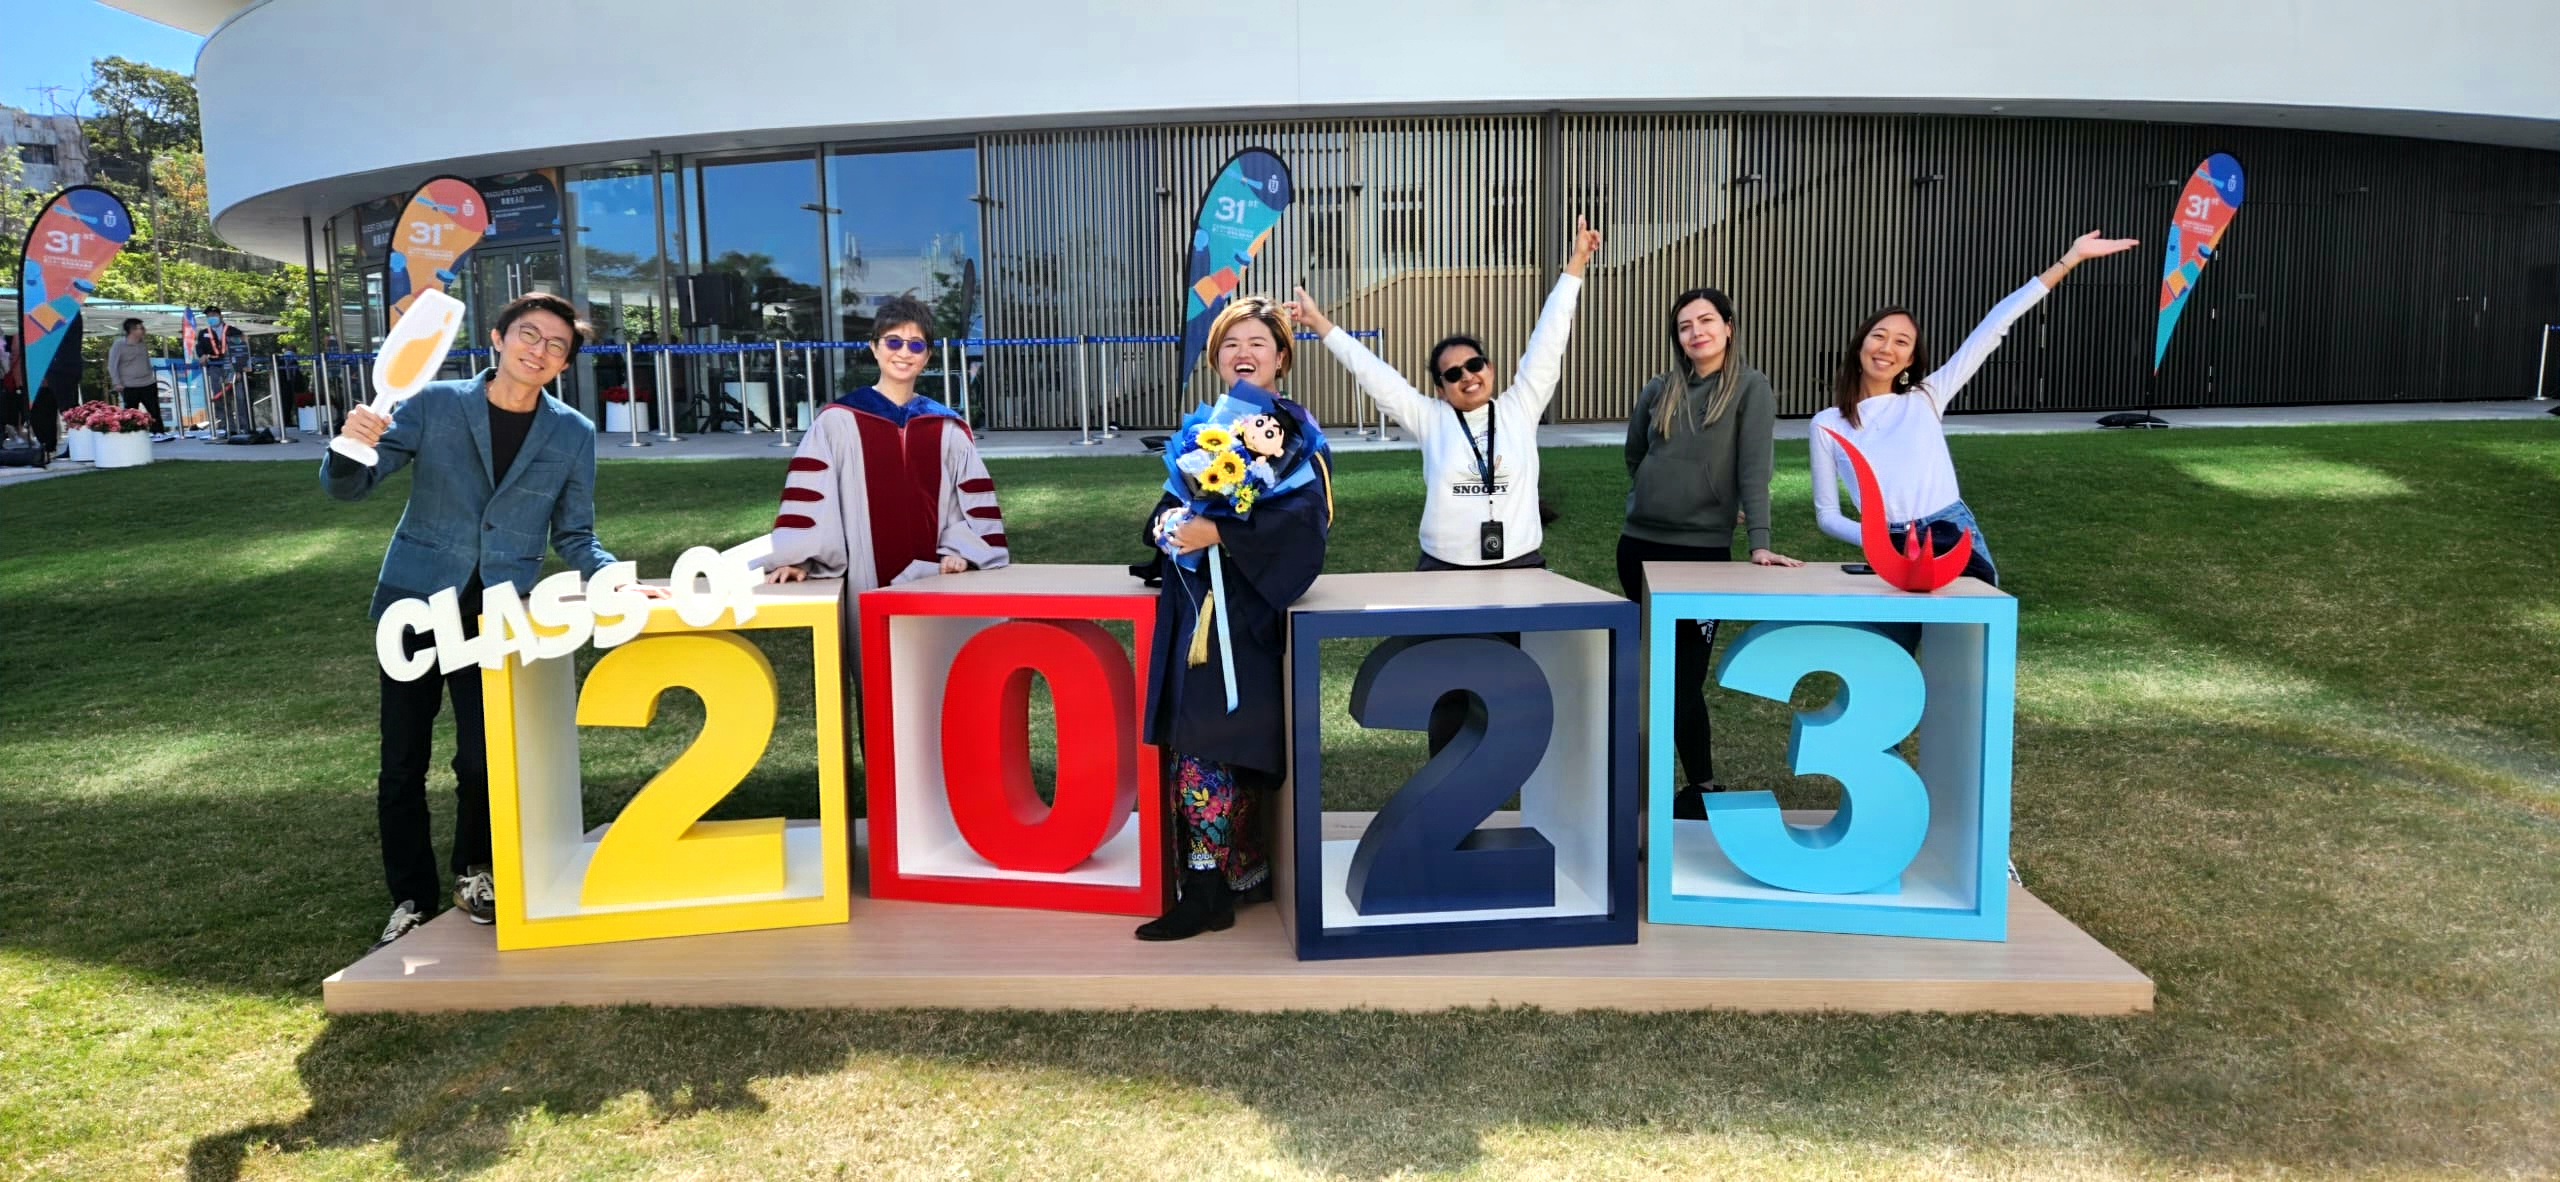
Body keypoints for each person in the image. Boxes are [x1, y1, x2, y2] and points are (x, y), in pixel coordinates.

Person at [322, 291, 666, 952]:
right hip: (414, 603)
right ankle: (411, 898)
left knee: (483, 759)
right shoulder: (435, 404)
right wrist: (350, 445)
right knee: (402, 761)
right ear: (498, 338)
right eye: (529, 336)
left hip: (497, 612)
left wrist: (612, 577)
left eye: (556, 345)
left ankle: (475, 873)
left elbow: (576, 532)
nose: (539, 350)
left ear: (564, 363)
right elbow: (349, 487)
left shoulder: (572, 433)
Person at [1134, 295, 1332, 941]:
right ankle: (1227, 876)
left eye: (1257, 343)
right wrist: (1170, 526)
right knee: (1200, 742)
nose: (1243, 354)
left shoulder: (1294, 435)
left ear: (1282, 357)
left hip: (1243, 614)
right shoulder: (1204, 430)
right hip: (1194, 617)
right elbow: (1165, 512)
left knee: (1212, 744)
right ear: (1216, 358)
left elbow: (1304, 523)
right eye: (1230, 344)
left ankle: (1213, 887)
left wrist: (1218, 534)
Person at [1809, 231, 2138, 588]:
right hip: (1888, 549)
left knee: (1970, 641)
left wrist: (2068, 261)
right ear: (1860, 345)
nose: (1887, 347)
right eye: (1879, 335)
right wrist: (1882, 541)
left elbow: (1993, 327)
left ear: (1909, 360)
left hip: (1950, 534)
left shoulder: (1926, 397)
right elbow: (1827, 515)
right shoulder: (1827, 424)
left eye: (1902, 342)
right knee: (1891, 643)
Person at [1287, 215, 1602, 571]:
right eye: (1453, 374)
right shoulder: (1430, 417)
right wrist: (1321, 324)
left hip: (1519, 562)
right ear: (1441, 389)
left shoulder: (1521, 407)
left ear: (1491, 369)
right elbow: (1373, 373)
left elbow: (1550, 339)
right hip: (1444, 565)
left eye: (1474, 365)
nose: (1467, 376)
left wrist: (1576, 263)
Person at [1617, 287, 1803, 820]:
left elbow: (1754, 470)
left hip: (1700, 558)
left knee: (1682, 681)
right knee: (1648, 676)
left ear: (1727, 326)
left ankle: (1701, 786)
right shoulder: (1659, 390)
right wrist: (1654, 492)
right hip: (1639, 551)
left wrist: (1759, 542)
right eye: (1684, 325)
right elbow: (1636, 455)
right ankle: (1641, 795)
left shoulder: (1750, 388)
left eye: (1706, 321)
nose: (1695, 332)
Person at [763, 295, 1010, 610]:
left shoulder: (947, 429)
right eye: (893, 342)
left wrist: (961, 552)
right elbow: (813, 502)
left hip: (937, 577)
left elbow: (969, 506)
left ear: (928, 355)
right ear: (874, 347)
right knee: (873, 652)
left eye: (916, 345)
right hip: (864, 583)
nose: (904, 353)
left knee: (934, 653)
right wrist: (798, 559)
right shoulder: (838, 422)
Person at [107, 318, 160, 434]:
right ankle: (132, 434)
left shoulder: (143, 344)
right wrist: (117, 382)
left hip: (148, 382)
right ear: (132, 330)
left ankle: (158, 432)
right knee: (131, 413)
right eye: (140, 328)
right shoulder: (119, 345)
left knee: (154, 410)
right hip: (129, 384)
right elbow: (112, 365)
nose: (143, 330)